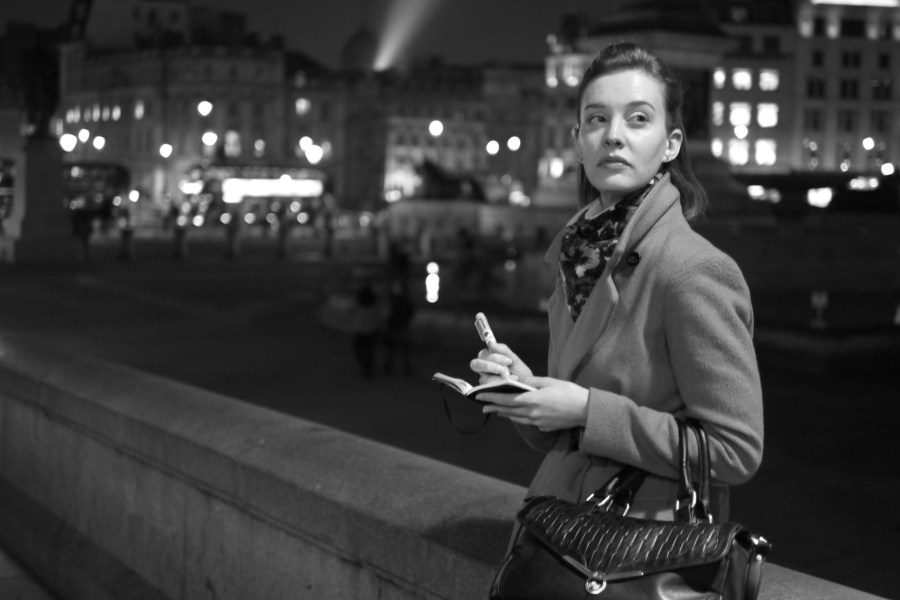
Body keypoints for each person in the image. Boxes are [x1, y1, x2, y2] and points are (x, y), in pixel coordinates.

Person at [470, 42, 763, 522]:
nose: (613, 136)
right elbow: (569, 432)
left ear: (670, 145)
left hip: (636, 552)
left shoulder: (695, 269)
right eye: (596, 119)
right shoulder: (577, 258)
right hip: (562, 532)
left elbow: (735, 451)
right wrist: (527, 392)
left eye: (638, 119)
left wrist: (587, 409)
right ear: (579, 140)